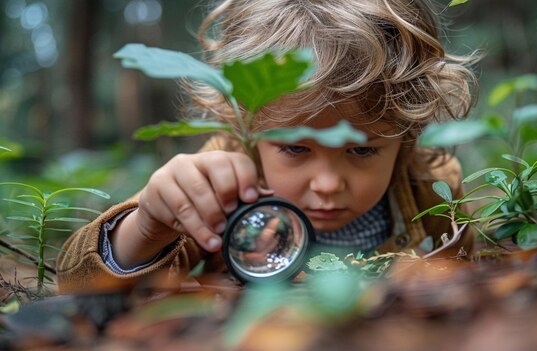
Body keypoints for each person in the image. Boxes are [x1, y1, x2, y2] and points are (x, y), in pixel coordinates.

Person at [56, 0, 477, 293]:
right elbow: (75, 283)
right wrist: (147, 227)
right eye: (295, 149)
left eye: (361, 150)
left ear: (406, 132)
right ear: (251, 127)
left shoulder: (432, 189)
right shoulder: (218, 180)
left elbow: (467, 284)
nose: (328, 184)